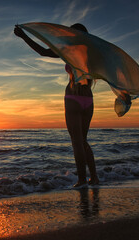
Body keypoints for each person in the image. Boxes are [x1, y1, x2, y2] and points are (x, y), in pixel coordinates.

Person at [14, 23, 99, 187]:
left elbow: (43, 52)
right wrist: (124, 93)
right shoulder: (93, 54)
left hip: (73, 97)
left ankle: (82, 180)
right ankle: (94, 177)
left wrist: (24, 36)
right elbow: (111, 74)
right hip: (88, 99)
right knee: (83, 141)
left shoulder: (68, 50)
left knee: (77, 142)